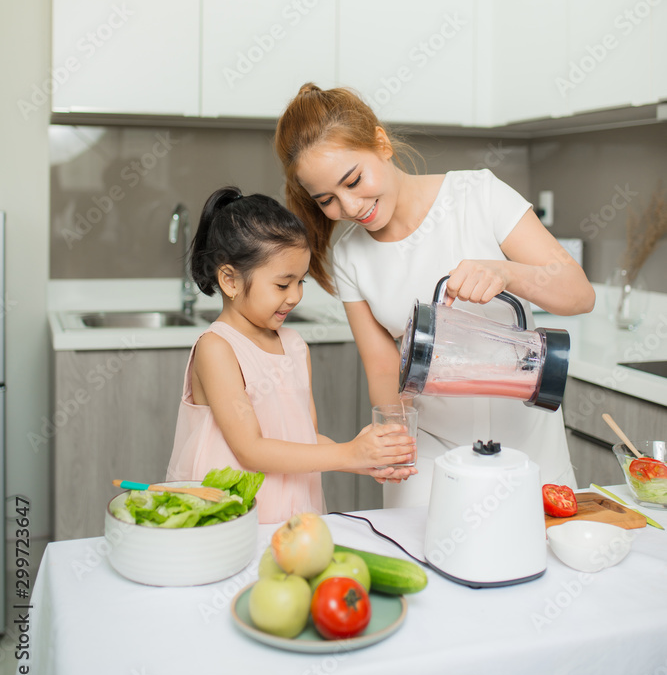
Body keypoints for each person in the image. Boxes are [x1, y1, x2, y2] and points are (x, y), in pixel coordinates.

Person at [274, 83, 596, 507]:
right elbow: (384, 369)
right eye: (327, 200)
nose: (351, 207)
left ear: (381, 143)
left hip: (526, 441)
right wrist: (394, 441)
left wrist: (505, 273)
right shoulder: (350, 254)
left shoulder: (479, 195)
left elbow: (578, 294)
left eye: (353, 180)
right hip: (430, 448)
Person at [166, 186, 415, 523]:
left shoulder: (295, 346)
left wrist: (365, 458)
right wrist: (348, 454)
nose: (295, 295)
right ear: (230, 280)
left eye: (302, 282)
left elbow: (304, 439)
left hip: (292, 511)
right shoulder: (217, 349)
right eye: (283, 285)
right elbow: (250, 449)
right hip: (231, 519)